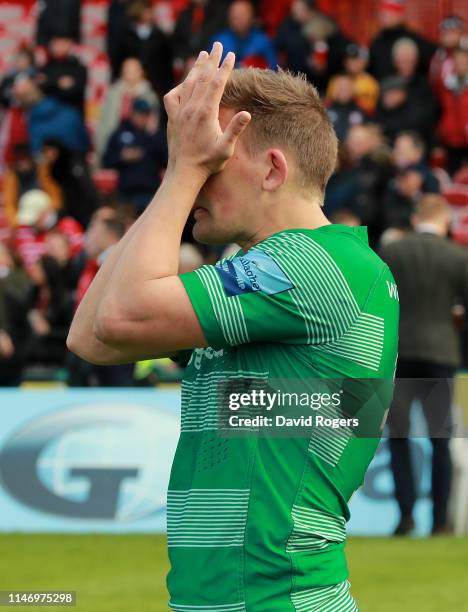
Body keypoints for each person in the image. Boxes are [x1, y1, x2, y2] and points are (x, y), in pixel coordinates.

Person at [68, 44, 399, 610]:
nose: (195, 183)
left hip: (279, 597)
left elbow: (121, 316)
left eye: (214, 162)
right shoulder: (261, 269)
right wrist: (181, 169)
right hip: (231, 596)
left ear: (272, 170)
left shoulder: (318, 264)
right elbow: (91, 336)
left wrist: (180, 170)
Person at [380, 194, 468, 535]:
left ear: (416, 218)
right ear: (445, 222)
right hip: (441, 354)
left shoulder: (393, 251)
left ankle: (405, 518)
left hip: (400, 355)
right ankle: (441, 522)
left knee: (399, 438)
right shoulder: (458, 256)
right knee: (440, 439)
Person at [102, 97, 168, 211]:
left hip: (149, 193)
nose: (142, 118)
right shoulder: (120, 133)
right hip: (126, 194)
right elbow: (106, 160)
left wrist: (152, 135)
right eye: (139, 114)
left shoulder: (155, 135)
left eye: (145, 115)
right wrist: (122, 157)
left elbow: (166, 159)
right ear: (132, 113)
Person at [95, 57, 159, 162]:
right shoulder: (112, 93)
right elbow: (104, 122)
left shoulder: (149, 96)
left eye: (133, 70)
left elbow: (152, 125)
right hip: (114, 140)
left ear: (141, 72)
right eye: (126, 69)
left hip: (140, 143)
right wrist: (101, 145)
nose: (129, 73)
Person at [13, 76, 89, 156]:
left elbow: (37, 154)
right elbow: (85, 144)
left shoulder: (34, 124)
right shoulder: (72, 113)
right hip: (76, 164)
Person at [114, 0, 173, 99]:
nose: (148, 13)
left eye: (149, 10)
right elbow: (118, 59)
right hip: (130, 86)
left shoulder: (160, 36)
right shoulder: (126, 36)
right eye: (145, 11)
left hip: (156, 84)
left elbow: (166, 64)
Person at [369, 0, 436, 80]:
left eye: (389, 14)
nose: (384, 18)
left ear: (399, 16)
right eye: (383, 15)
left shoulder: (413, 38)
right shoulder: (377, 42)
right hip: (384, 89)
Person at [3, 143, 62, 227]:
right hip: (24, 216)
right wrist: (16, 222)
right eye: (20, 160)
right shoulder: (12, 177)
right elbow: (9, 203)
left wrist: (48, 210)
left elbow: (55, 196)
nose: (23, 163)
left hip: (44, 213)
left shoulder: (41, 171)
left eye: (25, 159)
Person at [213, 0, 278, 69]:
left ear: (252, 16)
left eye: (243, 15)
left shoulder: (263, 41)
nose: (239, 19)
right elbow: (211, 68)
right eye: (235, 16)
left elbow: (273, 69)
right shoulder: (220, 41)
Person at [436, 43, 468, 175]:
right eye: (458, 60)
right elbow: (440, 111)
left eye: (464, 60)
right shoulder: (446, 85)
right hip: (451, 141)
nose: (460, 64)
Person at [37, 32, 88, 114]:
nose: (58, 46)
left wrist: (48, 82)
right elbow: (39, 89)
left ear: (70, 44)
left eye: (62, 42)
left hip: (71, 115)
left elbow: (73, 92)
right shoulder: (44, 67)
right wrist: (59, 83)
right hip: (46, 114)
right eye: (55, 42)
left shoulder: (79, 68)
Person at [327, 43, 379, 115]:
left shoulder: (370, 83)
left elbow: (371, 109)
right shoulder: (336, 80)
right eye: (349, 59)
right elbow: (329, 102)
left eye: (356, 59)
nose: (352, 62)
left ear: (365, 62)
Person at [430, 15, 466, 97]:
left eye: (453, 32)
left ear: (462, 33)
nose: (450, 37)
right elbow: (434, 85)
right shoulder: (437, 58)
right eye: (446, 33)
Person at [326, 73, 366, 141]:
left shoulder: (362, 109)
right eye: (340, 87)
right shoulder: (324, 108)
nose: (344, 91)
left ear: (353, 89)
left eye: (347, 87)